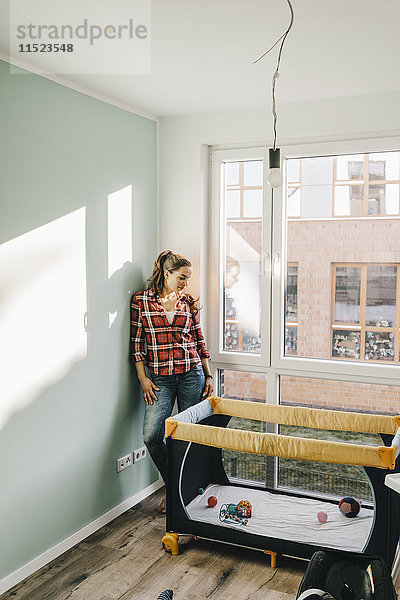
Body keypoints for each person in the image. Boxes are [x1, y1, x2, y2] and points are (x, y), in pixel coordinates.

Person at [130, 250, 213, 511]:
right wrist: (143, 379)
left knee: (188, 436)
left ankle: (184, 492)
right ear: (166, 274)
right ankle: (175, 486)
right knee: (152, 435)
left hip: (191, 374)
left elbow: (198, 339)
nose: (185, 283)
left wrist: (208, 374)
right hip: (159, 380)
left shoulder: (186, 301)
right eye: (182, 277)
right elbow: (136, 344)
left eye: (187, 278)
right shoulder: (141, 301)